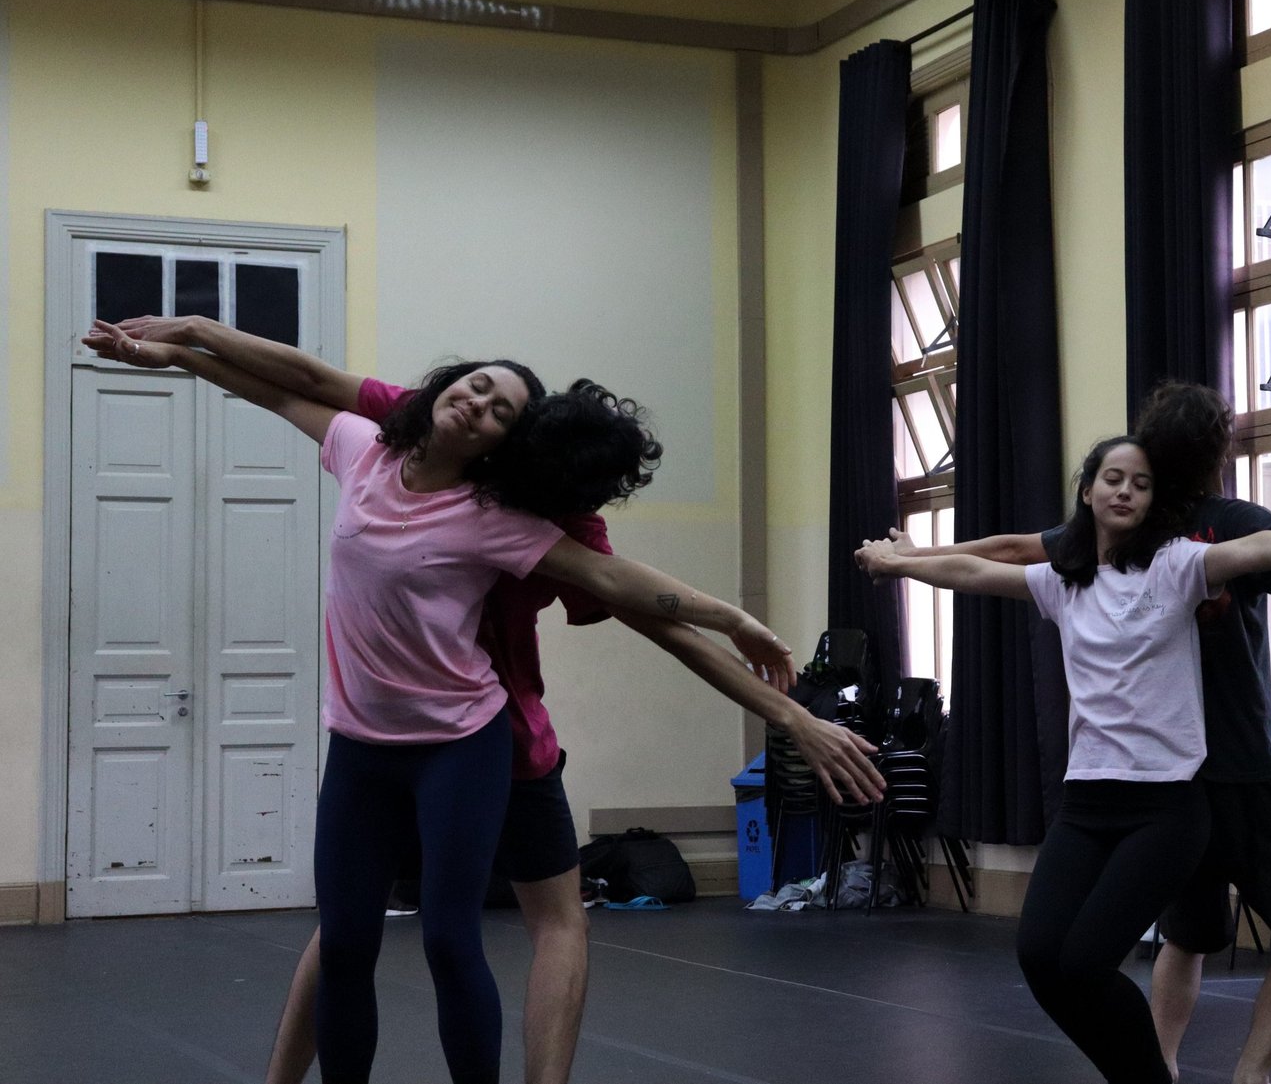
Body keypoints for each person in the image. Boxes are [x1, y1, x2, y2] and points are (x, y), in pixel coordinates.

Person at [94, 314, 883, 1084]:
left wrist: (770, 676)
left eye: (498, 408)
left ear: (511, 447)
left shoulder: (513, 518)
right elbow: (295, 385)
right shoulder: (379, 440)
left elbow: (646, 608)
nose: (478, 404)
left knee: (493, 929)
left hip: (486, 737)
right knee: (345, 938)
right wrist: (188, 340)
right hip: (371, 741)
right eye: (476, 388)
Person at [875, 382, 1271, 1084]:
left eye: (1137, 479)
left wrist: (909, 552)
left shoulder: (1165, 546)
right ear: (1219, 452)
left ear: (1153, 455)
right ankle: (1233, 1071)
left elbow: (1004, 548)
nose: (1124, 492)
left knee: (1186, 937)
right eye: (1113, 481)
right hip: (1225, 774)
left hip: (1179, 786)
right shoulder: (1149, 544)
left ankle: (1163, 1063)